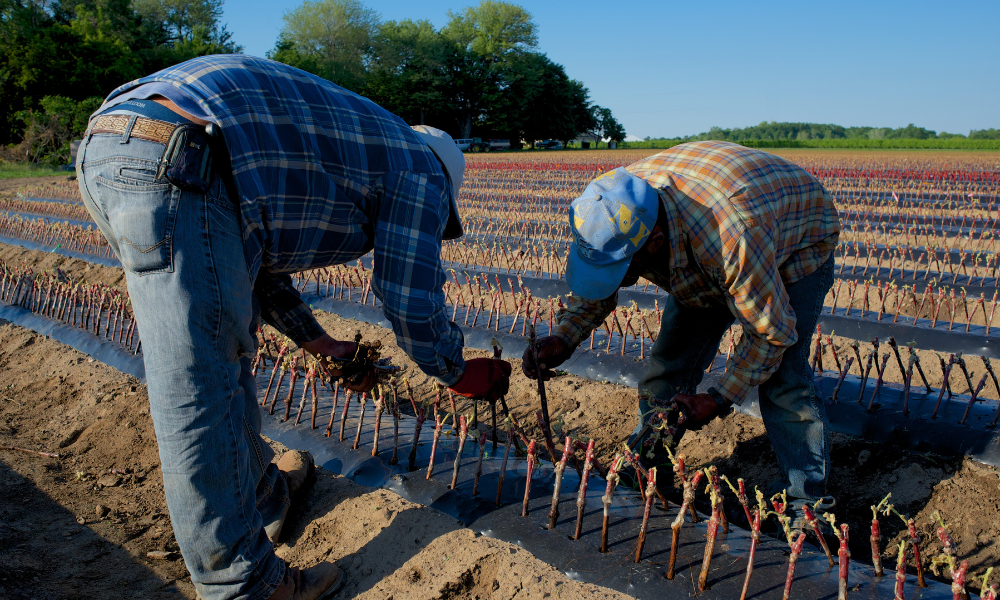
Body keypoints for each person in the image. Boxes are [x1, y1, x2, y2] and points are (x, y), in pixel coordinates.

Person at [75, 54, 511, 600]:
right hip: (177, 154)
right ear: (446, 181)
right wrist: (456, 370)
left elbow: (244, 257)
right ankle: (245, 585)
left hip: (118, 146)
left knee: (222, 352)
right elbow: (409, 296)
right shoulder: (419, 167)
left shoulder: (369, 145)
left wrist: (320, 341)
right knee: (198, 383)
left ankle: (264, 497)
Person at [523, 141, 840, 523]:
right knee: (670, 363)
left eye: (624, 267)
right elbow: (601, 277)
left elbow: (770, 333)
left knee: (784, 379)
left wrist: (719, 398)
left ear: (654, 245)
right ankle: (647, 469)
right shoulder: (614, 212)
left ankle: (807, 505)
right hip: (704, 239)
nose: (615, 278)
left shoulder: (730, 238)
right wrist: (564, 337)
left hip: (796, 238)